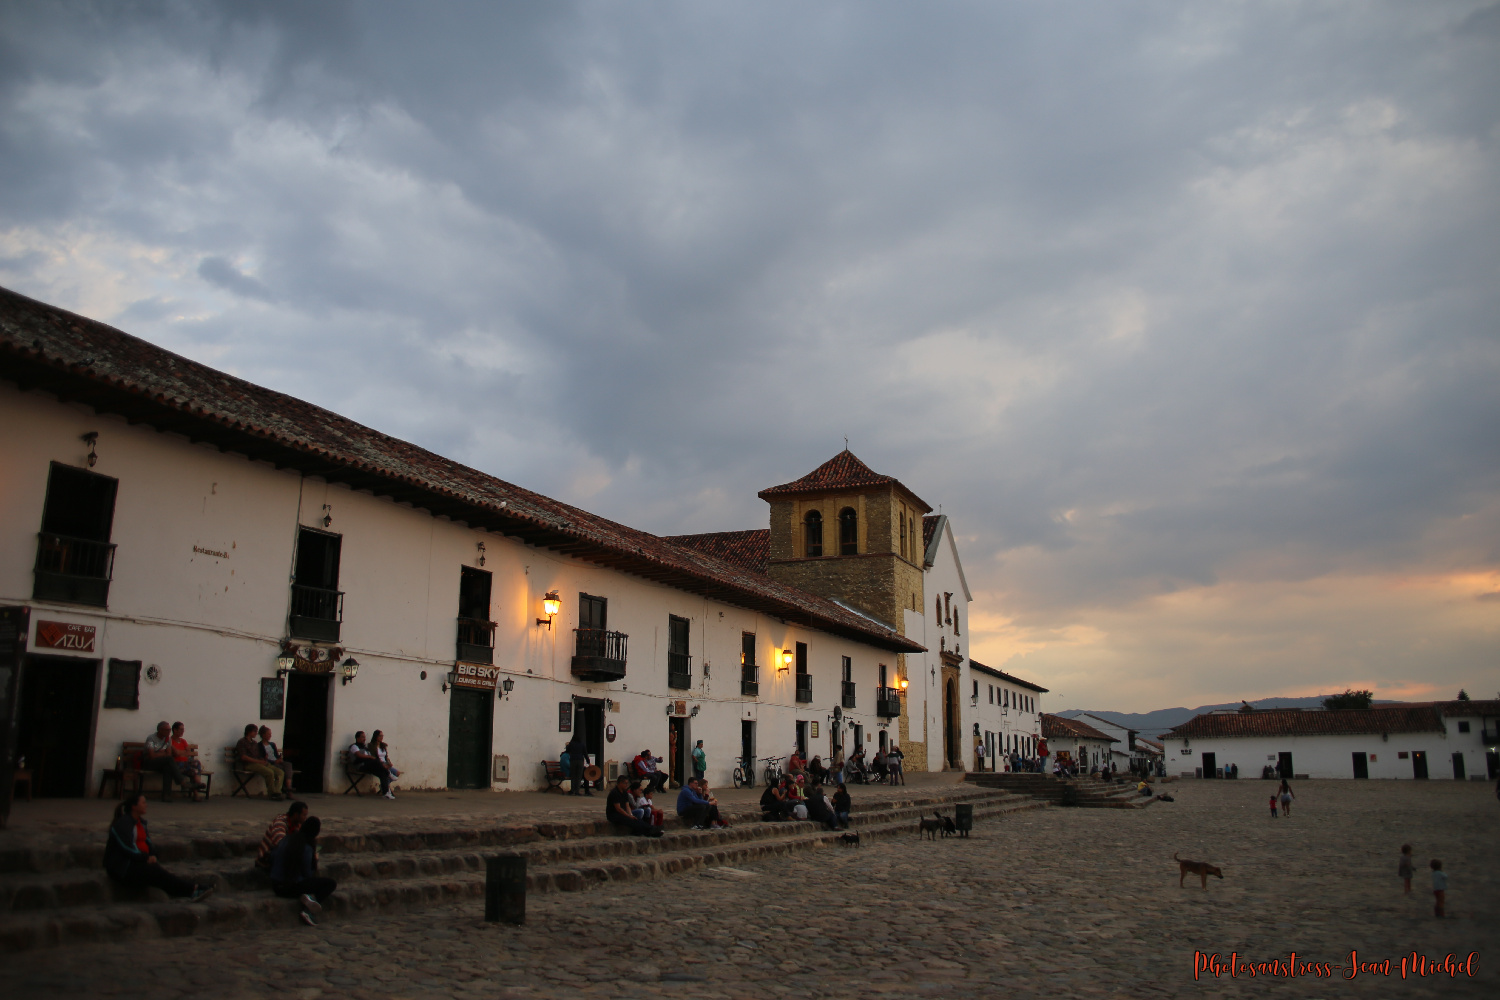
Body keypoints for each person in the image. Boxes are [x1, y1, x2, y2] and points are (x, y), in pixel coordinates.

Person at [105, 793, 213, 901]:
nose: (146, 805)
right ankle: (192, 890)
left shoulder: (140, 823)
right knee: (157, 873)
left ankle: (192, 890)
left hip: (138, 863)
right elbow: (128, 848)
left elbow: (148, 843)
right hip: (123, 869)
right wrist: (146, 858)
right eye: (143, 803)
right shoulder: (123, 824)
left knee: (159, 873)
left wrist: (152, 855)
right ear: (134, 806)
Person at [270, 816, 336, 926]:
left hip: (276, 886)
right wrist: (315, 860)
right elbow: (307, 874)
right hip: (290, 887)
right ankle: (308, 910)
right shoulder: (306, 847)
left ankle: (308, 898)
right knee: (330, 884)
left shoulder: (287, 839)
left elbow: (273, 856)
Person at [142, 721, 201, 798]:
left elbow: (168, 753)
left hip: (162, 762)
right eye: (167, 730)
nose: (169, 732)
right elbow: (152, 756)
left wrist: (160, 753)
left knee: (168, 767)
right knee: (169, 760)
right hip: (149, 762)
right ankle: (182, 782)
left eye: (169, 730)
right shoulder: (151, 738)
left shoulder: (167, 739)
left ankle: (166, 795)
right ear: (160, 730)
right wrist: (164, 753)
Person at [237, 722, 285, 800]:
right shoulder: (242, 742)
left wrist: (263, 759)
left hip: (259, 762)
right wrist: (258, 761)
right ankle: (272, 793)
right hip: (249, 764)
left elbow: (258, 755)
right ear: (249, 732)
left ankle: (277, 792)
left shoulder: (254, 743)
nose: (256, 733)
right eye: (254, 731)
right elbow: (243, 757)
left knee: (280, 772)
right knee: (269, 772)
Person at [257, 800, 310, 868]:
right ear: (296, 815)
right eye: (304, 815)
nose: (305, 818)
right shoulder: (280, 822)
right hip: (266, 858)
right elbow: (281, 844)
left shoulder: (298, 824)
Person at [348, 731, 393, 799]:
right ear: (357, 738)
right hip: (361, 766)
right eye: (362, 737)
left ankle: (386, 793)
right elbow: (359, 755)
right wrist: (370, 757)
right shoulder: (354, 746)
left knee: (383, 773)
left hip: (369, 766)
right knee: (376, 761)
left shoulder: (365, 747)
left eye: (365, 737)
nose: (364, 739)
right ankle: (388, 772)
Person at [258, 726, 295, 796]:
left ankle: (288, 787)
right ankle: (287, 791)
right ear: (263, 735)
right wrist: (273, 762)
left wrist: (279, 758)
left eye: (270, 734)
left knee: (288, 764)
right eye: (268, 734)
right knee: (282, 770)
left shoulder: (272, 744)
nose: (270, 736)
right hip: (270, 762)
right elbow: (262, 758)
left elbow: (276, 755)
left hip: (276, 761)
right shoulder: (259, 745)